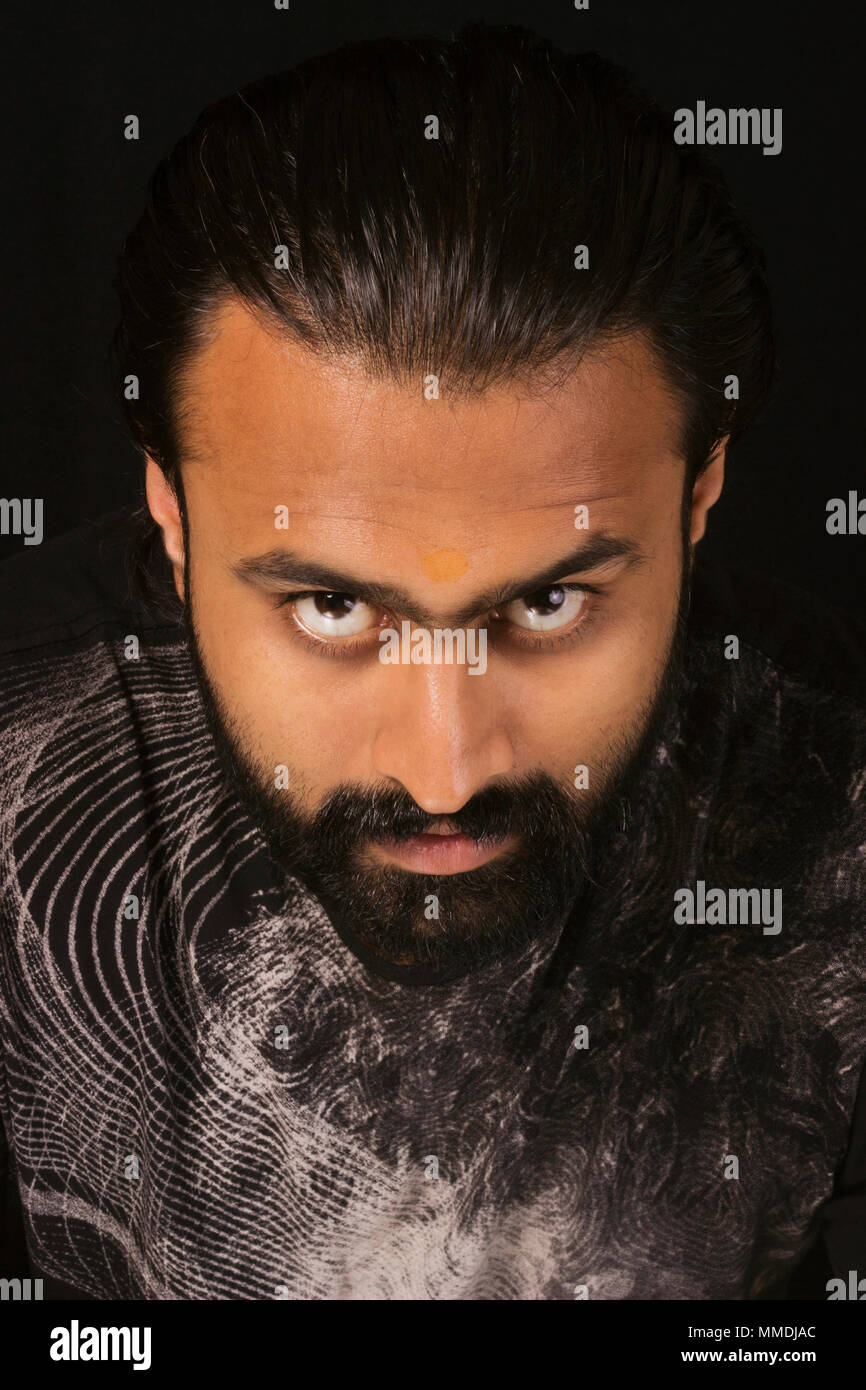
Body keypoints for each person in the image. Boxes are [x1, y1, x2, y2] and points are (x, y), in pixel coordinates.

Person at [1, 22, 864, 1301]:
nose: (445, 769)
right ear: (172, 519)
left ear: (699, 496)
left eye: (555, 601)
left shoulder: (840, 791)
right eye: (334, 608)